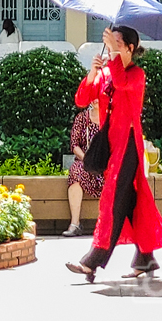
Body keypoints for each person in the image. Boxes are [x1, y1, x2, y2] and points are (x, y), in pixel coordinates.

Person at [67, 25, 162, 280]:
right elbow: (82, 99)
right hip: (111, 145)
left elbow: (123, 83)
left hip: (128, 145)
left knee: (112, 199)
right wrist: (92, 73)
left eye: (118, 44)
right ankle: (146, 259)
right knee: (130, 202)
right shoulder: (105, 73)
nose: (112, 48)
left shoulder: (136, 74)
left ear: (130, 49)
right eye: (110, 43)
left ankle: (92, 261)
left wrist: (112, 55)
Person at [62, 100, 104, 237]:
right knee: (75, 171)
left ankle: (112, 226)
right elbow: (74, 145)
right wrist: (87, 160)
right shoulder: (82, 118)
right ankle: (75, 224)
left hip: (107, 163)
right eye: (93, 96)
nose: (96, 99)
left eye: (99, 95)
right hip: (85, 162)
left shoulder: (111, 117)